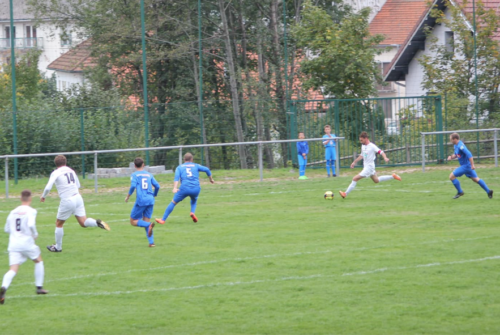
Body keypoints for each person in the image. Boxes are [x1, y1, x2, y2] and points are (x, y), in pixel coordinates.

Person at [41, 155, 110, 252]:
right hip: (78, 197)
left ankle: (58, 247)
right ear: (65, 162)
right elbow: (78, 185)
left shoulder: (55, 172)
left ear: (56, 164)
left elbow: (48, 187)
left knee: (59, 223)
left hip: (67, 200)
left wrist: (43, 196)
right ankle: (96, 223)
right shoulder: (71, 170)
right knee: (83, 222)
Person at [1, 190, 48, 304]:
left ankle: (3, 288)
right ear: (30, 199)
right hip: (26, 242)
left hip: (13, 244)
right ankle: (39, 287)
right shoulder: (31, 211)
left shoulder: (13, 212)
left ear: (20, 199)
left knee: (13, 269)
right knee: (38, 261)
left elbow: (6, 229)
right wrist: (35, 234)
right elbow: (31, 224)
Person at [155, 153, 214, 224]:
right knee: (194, 200)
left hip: (184, 188)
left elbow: (176, 178)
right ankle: (192, 212)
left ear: (184, 159)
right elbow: (207, 169)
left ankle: (163, 219)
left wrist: (175, 188)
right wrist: (211, 179)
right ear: (192, 159)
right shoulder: (196, 165)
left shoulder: (179, 167)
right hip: (196, 188)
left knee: (173, 202)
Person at [339, 131, 401, 198]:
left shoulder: (372, 146)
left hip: (369, 167)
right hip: (367, 167)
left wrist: (385, 157)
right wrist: (354, 162)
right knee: (376, 180)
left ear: (366, 138)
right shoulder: (363, 146)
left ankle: (345, 193)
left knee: (355, 178)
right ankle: (393, 176)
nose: (360, 141)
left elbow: (381, 152)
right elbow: (362, 155)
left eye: (361, 140)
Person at [125, 157, 160, 247]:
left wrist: (128, 196)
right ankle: (151, 243)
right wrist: (154, 194)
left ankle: (149, 225)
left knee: (133, 221)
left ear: (135, 166)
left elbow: (133, 186)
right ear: (143, 165)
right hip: (150, 199)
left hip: (141, 200)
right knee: (146, 221)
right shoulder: (149, 174)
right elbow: (157, 186)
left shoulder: (134, 175)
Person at [447, 132, 493, 199]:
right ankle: (488, 191)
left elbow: (469, 154)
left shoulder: (461, 146)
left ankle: (460, 192)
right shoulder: (456, 145)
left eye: (451, 139)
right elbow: (456, 155)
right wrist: (451, 157)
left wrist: (472, 165)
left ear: (455, 139)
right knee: (476, 179)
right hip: (466, 166)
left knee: (451, 176)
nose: (450, 141)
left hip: (466, 166)